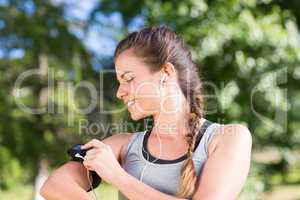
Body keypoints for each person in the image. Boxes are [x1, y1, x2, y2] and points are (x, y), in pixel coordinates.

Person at [40, 26, 252, 200]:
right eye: (119, 82)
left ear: (166, 72)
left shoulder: (228, 138)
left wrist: (118, 177)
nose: (120, 92)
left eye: (129, 78)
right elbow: (54, 185)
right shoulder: (123, 145)